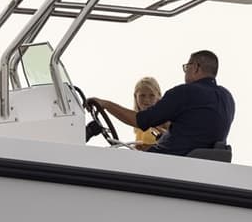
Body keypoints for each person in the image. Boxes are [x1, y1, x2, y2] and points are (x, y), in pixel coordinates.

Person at [87, 51, 233, 156]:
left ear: (195, 67)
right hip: (196, 165)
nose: (185, 72)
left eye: (187, 67)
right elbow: (195, 134)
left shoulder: (185, 92)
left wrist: (105, 104)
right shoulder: (227, 98)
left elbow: (139, 120)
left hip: (165, 163)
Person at [130, 76, 168, 149]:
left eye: (152, 95)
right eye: (142, 96)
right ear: (135, 97)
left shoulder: (166, 120)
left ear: (159, 96)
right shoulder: (138, 127)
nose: (147, 100)